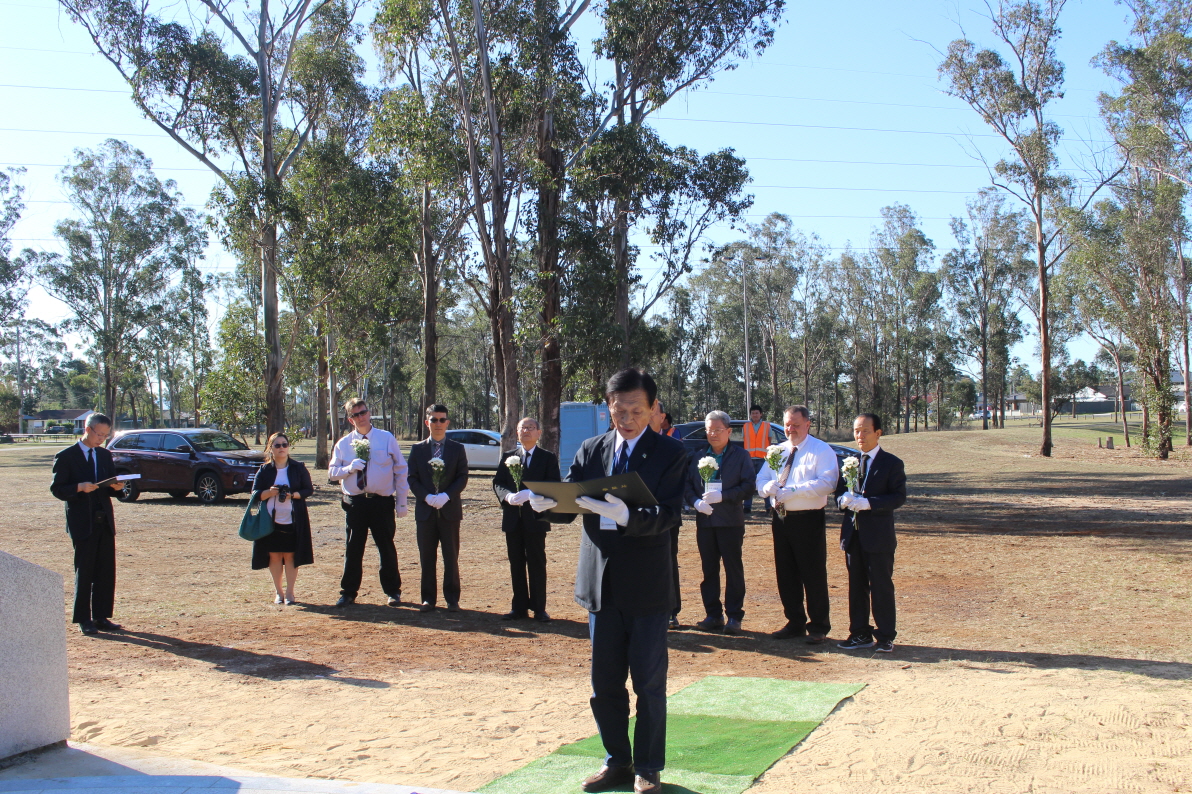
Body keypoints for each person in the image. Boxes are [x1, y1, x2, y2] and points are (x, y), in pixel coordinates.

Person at [536, 368, 685, 794]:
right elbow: (572, 502)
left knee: (649, 685)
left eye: (636, 410)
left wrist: (628, 516)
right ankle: (617, 761)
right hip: (600, 586)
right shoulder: (592, 448)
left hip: (648, 588)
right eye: (619, 410)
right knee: (604, 684)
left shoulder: (670, 453)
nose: (627, 418)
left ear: (653, 409)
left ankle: (648, 768)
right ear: (608, 408)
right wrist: (546, 503)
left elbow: (672, 514)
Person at [756, 405, 839, 644]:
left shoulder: (820, 450)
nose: (790, 429)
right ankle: (794, 622)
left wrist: (794, 491)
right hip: (781, 518)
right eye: (787, 424)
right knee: (786, 573)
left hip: (808, 518)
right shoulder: (778, 451)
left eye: (796, 424)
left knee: (812, 573)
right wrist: (766, 488)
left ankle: (819, 626)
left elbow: (828, 482)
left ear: (808, 424)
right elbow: (761, 478)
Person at [328, 398, 409, 607]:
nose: (360, 417)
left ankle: (393, 591)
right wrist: (349, 468)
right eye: (355, 415)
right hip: (355, 503)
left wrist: (402, 502)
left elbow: (400, 469)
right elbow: (332, 472)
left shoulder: (386, 438)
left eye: (363, 412)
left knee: (386, 547)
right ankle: (348, 592)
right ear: (350, 419)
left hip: (381, 502)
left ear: (369, 413)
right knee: (354, 548)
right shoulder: (343, 444)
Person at [836, 413, 906, 653]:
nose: (860, 436)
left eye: (865, 431)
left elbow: (898, 496)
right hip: (853, 535)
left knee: (881, 586)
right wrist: (842, 500)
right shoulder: (849, 461)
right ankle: (859, 633)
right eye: (856, 431)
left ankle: (885, 635)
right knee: (856, 587)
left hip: (878, 536)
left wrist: (871, 503)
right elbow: (838, 492)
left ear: (878, 433)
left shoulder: (891, 463)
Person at [50, 413, 124, 635]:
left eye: (105, 435)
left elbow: (109, 482)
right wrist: (78, 488)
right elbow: (57, 489)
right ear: (87, 428)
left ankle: (102, 617)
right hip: (82, 522)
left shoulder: (104, 455)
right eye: (99, 434)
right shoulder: (66, 456)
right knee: (85, 570)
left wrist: (117, 488)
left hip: (104, 520)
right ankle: (84, 618)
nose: (101, 438)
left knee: (105, 570)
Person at [684, 411, 755, 635]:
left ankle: (734, 616)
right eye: (708, 430)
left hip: (730, 522)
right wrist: (695, 501)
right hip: (705, 522)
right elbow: (687, 485)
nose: (712, 434)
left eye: (717, 430)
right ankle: (713, 614)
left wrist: (723, 495)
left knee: (733, 569)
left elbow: (748, 487)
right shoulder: (697, 456)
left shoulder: (740, 455)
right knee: (709, 569)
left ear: (728, 431)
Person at [492, 417, 561, 622]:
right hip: (513, 519)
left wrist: (532, 493)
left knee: (537, 563)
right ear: (517, 432)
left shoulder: (547, 458)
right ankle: (519, 607)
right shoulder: (509, 456)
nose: (527, 431)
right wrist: (507, 496)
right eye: (523, 428)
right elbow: (498, 483)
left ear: (539, 433)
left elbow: (554, 484)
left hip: (536, 518)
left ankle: (539, 608)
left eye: (531, 428)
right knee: (516, 563)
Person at [407, 403, 469, 612]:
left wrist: (446, 495)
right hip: (425, 512)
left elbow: (462, 477)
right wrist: (425, 497)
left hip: (449, 510)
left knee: (451, 556)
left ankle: (452, 599)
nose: (438, 424)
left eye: (442, 420)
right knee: (427, 556)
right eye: (434, 420)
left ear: (447, 422)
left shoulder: (457, 449)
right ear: (427, 422)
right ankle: (428, 599)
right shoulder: (417, 449)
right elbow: (412, 478)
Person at [252, 432, 314, 605]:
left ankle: (290, 593)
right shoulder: (265, 470)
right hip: (271, 521)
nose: (281, 448)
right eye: (277, 445)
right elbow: (255, 494)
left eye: (284, 445)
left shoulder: (298, 467)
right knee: (274, 556)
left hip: (294, 519)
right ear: (270, 449)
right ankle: (278, 592)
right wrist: (270, 493)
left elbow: (308, 490)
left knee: (290, 556)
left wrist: (292, 495)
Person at [648, 400, 683, 630]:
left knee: (667, 562)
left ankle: (671, 611)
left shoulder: (672, 448)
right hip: (633, 517)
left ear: (662, 418)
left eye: (653, 412)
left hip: (665, 517)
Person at [742, 405, 769, 514]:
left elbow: (769, 440)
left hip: (763, 459)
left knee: (764, 482)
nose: (755, 415)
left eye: (757, 413)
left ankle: (768, 506)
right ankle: (747, 507)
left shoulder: (767, 426)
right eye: (753, 413)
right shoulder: (745, 426)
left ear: (761, 414)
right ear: (751, 414)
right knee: (749, 483)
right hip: (749, 458)